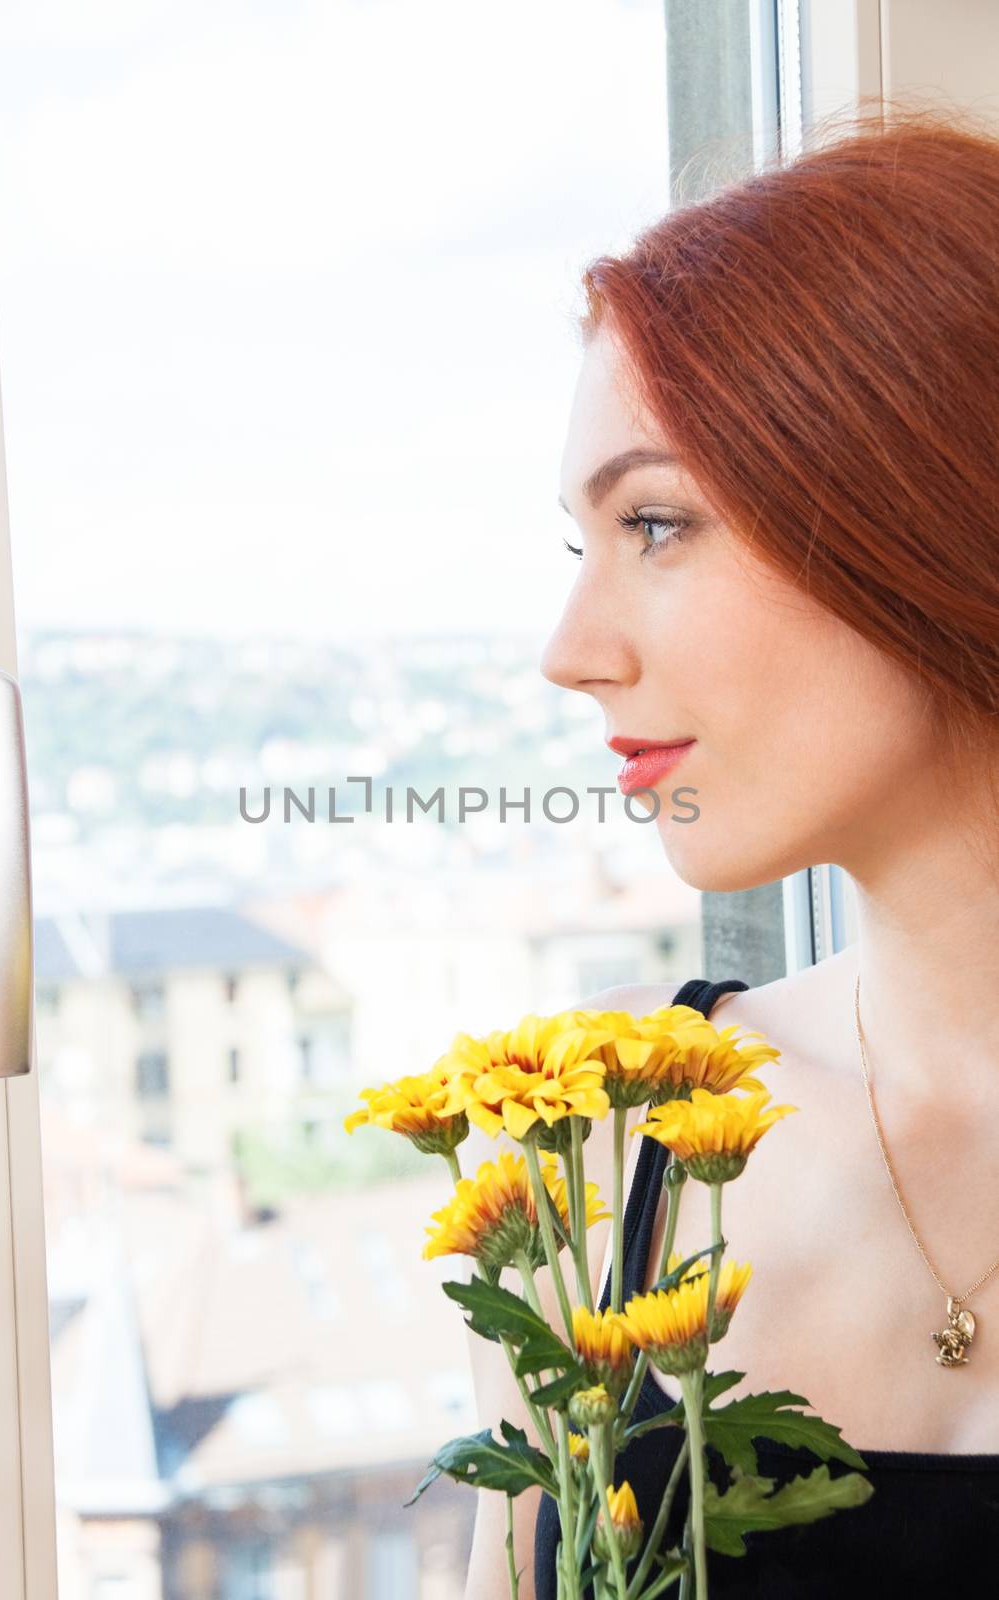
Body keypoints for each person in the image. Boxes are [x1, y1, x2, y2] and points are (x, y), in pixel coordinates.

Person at [463, 105, 999, 1599]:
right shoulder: (593, 1177)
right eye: (585, 549)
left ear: (930, 499)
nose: (572, 654)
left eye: (656, 523)